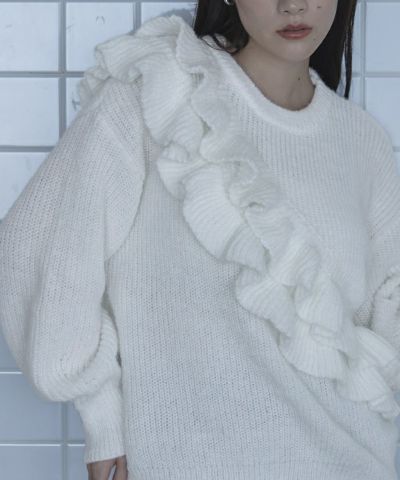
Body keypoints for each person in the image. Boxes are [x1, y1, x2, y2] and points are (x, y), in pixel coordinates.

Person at [1, 1, 400, 479]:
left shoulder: (362, 142)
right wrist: (101, 412)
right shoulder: (160, 92)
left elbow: (387, 311)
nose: (293, 4)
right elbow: (36, 250)